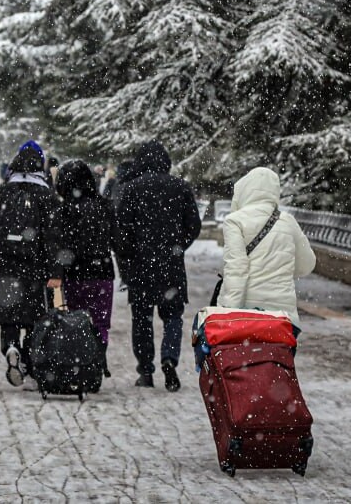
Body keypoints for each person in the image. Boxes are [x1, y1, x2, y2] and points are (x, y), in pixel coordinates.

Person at [115, 140, 201, 392]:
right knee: (172, 316)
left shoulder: (131, 189)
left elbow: (121, 231)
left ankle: (145, 370)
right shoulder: (180, 187)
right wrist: (177, 246)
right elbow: (193, 225)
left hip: (140, 266)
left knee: (142, 319)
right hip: (170, 266)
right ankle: (169, 357)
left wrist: (130, 256)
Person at [0, 141, 61, 387]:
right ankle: (29, 359)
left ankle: (10, 346)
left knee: (9, 313)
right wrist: (55, 270)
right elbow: (53, 236)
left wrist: (0, 251)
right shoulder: (47, 195)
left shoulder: (2, 193)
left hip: (7, 264)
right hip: (35, 266)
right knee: (35, 317)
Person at [217, 167, 316, 329]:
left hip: (248, 314)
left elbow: (236, 269)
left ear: (245, 189)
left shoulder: (235, 221)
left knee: (244, 354)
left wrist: (227, 314)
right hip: (283, 317)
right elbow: (307, 265)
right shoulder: (288, 221)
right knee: (279, 354)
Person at [48, 160, 116, 376]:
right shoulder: (104, 206)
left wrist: (57, 272)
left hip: (76, 273)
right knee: (101, 321)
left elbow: (58, 245)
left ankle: (83, 360)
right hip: (102, 271)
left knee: (77, 320)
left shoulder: (64, 210)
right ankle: (99, 354)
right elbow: (118, 240)